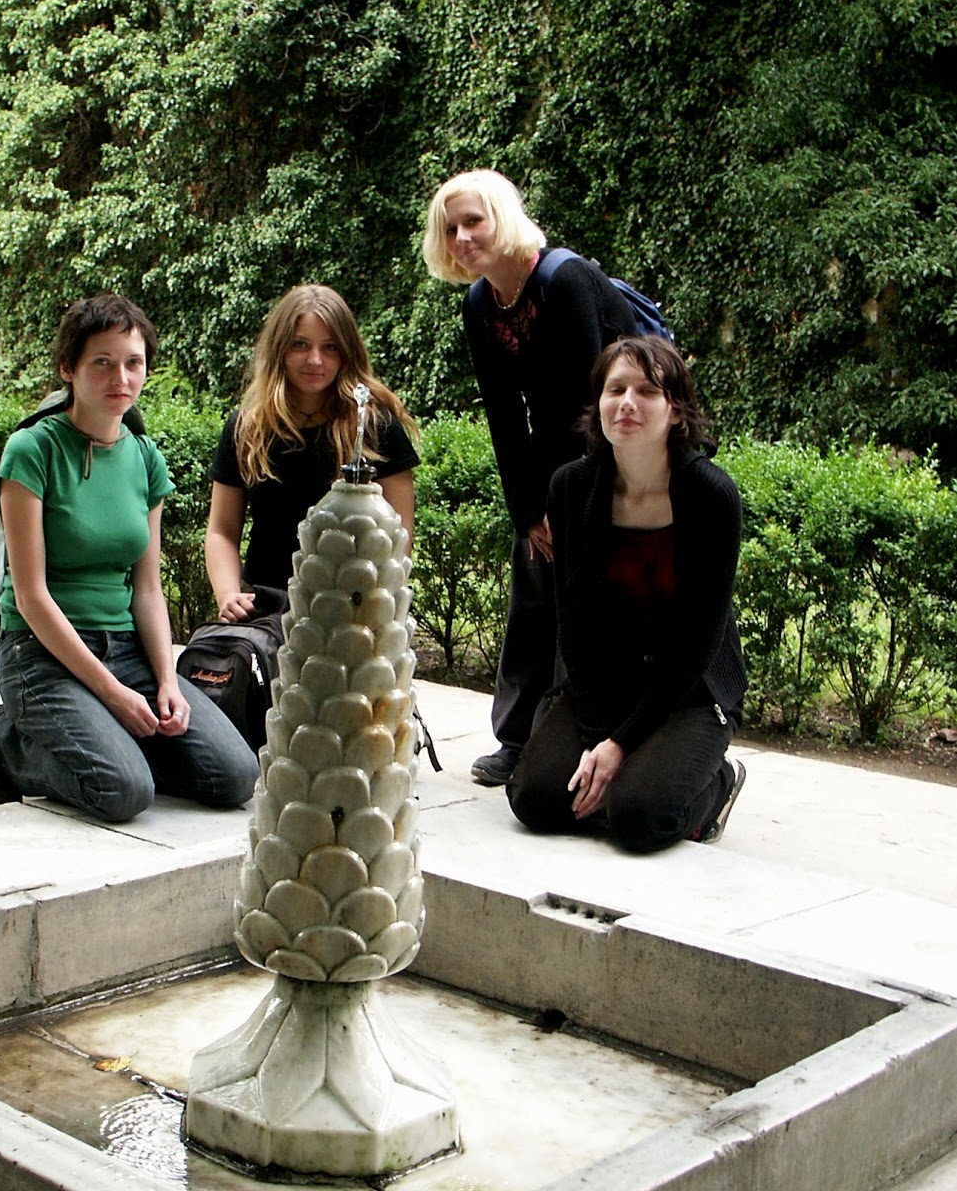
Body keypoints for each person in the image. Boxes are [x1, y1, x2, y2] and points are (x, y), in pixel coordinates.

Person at [0, 294, 259, 822]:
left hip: (127, 651)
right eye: (101, 362)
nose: (120, 378)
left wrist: (165, 681)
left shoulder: (144, 458)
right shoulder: (32, 451)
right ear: (68, 369)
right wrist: (114, 694)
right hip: (42, 656)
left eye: (133, 363)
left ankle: (112, 742)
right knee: (122, 792)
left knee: (234, 776)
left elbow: (147, 589)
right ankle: (3, 741)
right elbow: (30, 597)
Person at [422, 169, 637, 787]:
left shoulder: (564, 280)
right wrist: (528, 510)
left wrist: (568, 506)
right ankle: (517, 739)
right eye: (451, 228)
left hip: (615, 449)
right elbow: (504, 417)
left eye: (474, 221)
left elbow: (592, 406)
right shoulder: (479, 306)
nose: (462, 237)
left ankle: (568, 739)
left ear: (502, 218)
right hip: (551, 451)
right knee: (533, 583)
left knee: (582, 602)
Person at [506, 336, 747, 853]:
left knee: (639, 818)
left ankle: (719, 782)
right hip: (604, 682)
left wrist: (619, 745)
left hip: (687, 692)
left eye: (647, 391)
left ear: (675, 409)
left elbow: (698, 647)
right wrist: (598, 735)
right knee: (535, 799)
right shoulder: (570, 488)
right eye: (615, 390)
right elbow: (571, 623)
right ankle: (632, 767)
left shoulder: (712, 496)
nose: (627, 403)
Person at [204, 284, 418, 621]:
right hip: (264, 609)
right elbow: (222, 531)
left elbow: (399, 538)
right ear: (279, 349)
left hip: (353, 613)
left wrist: (376, 608)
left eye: (329, 347)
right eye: (300, 344)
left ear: (346, 351)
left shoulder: (375, 427)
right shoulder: (247, 428)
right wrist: (229, 594)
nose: (315, 360)